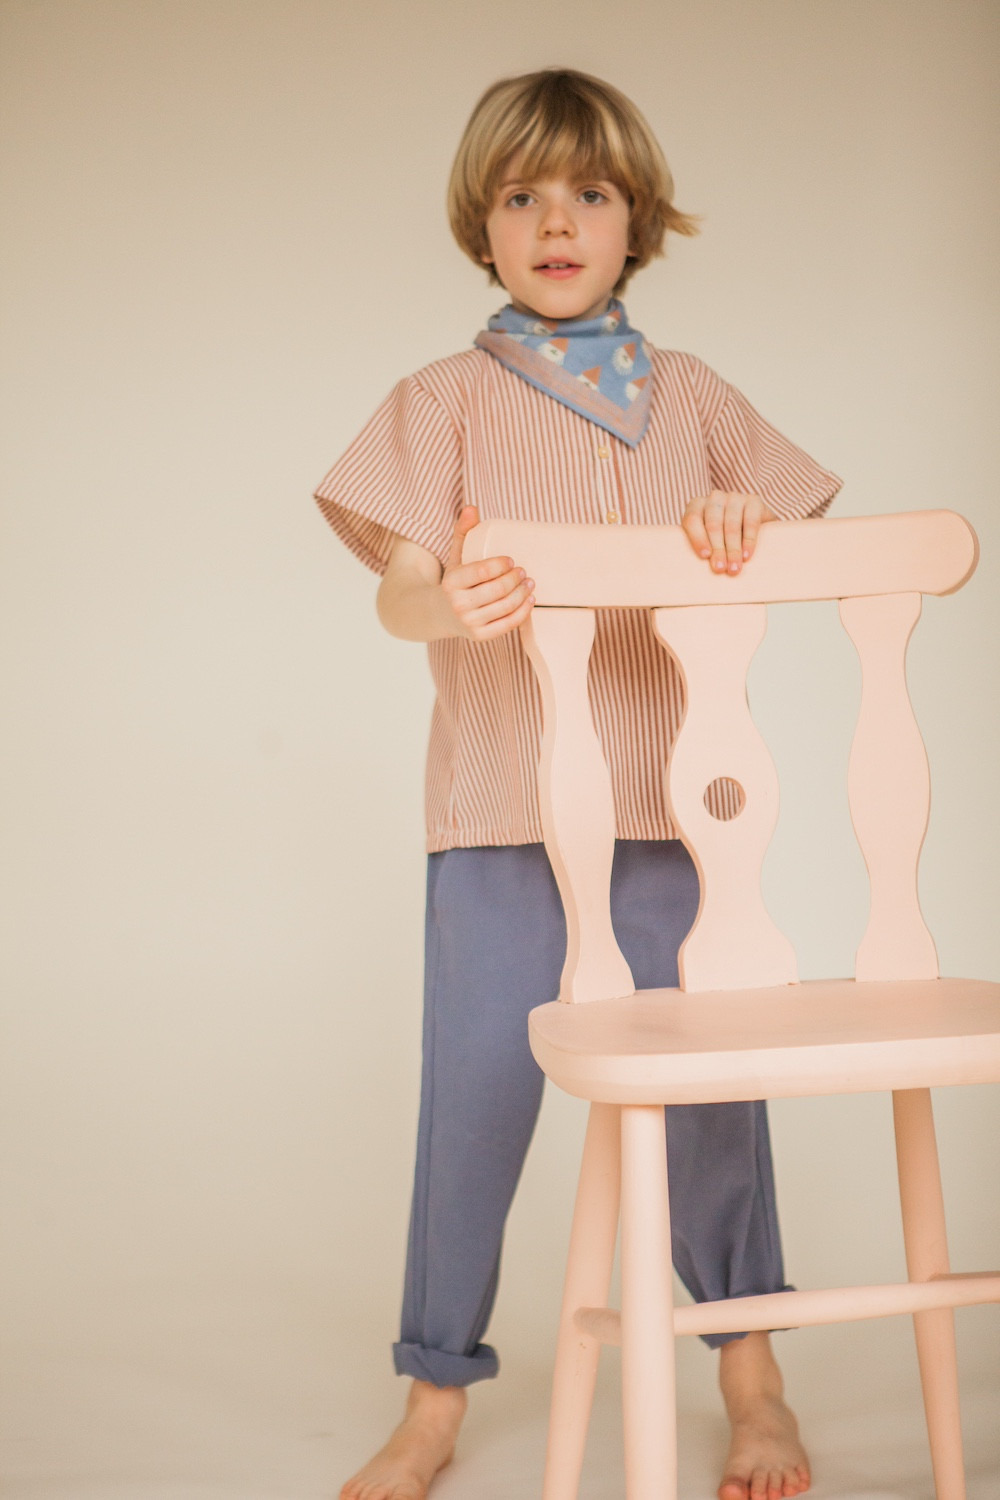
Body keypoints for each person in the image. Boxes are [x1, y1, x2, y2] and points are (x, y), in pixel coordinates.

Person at [314, 67, 839, 1500]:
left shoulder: (698, 397)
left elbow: (797, 542)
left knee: (713, 1104)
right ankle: (435, 1396)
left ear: (634, 220)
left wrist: (738, 513)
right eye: (521, 195)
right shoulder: (439, 403)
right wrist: (443, 601)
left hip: (674, 817)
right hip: (501, 817)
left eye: (589, 194)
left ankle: (754, 1380)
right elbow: (399, 591)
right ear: (482, 227)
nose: (557, 222)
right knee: (475, 1104)